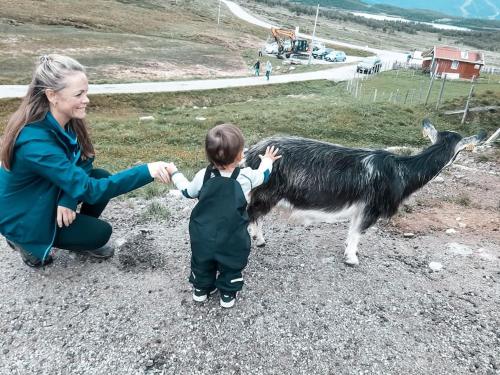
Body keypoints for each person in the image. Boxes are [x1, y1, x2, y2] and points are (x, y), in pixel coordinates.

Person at [0, 54, 171, 268]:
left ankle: (76, 234)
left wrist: (68, 199)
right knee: (101, 233)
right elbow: (90, 190)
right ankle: (24, 242)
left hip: (44, 195)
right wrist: (148, 170)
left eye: (86, 92)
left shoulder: (67, 119)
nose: (86, 100)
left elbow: (85, 157)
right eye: (79, 94)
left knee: (101, 175)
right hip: (24, 216)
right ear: (52, 95)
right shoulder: (35, 144)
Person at [166, 124, 281, 308]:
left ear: (208, 155)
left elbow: (188, 191)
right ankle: (227, 294)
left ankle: (201, 290)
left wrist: (175, 173)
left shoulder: (202, 175)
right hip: (232, 234)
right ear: (239, 156)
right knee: (231, 261)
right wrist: (268, 160)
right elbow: (264, 175)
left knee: (202, 259)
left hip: (202, 232)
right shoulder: (246, 176)